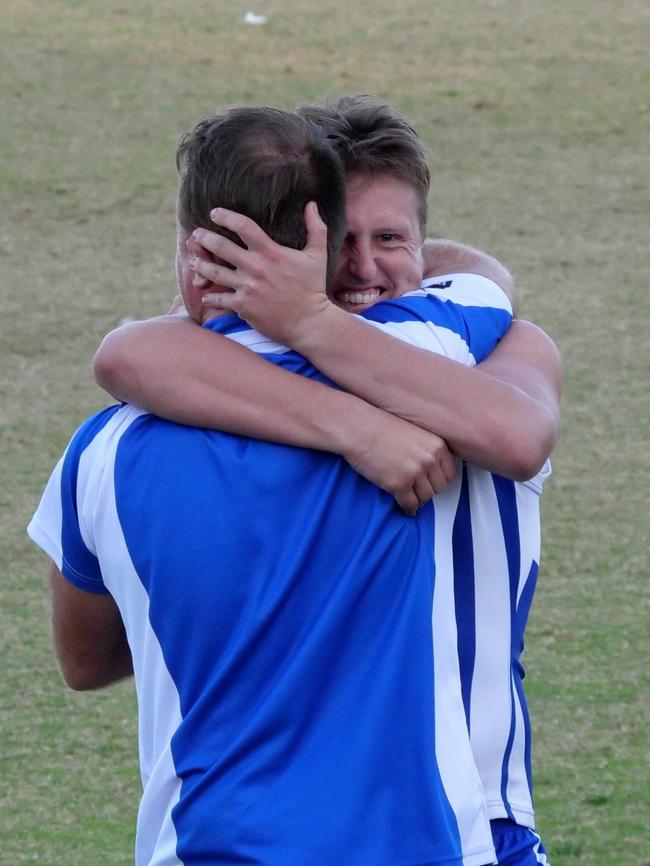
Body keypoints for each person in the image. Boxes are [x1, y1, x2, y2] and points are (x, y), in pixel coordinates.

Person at [29, 106, 513, 866]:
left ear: (197, 255)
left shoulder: (101, 450)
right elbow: (484, 278)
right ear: (325, 245)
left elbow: (85, 662)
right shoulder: (435, 362)